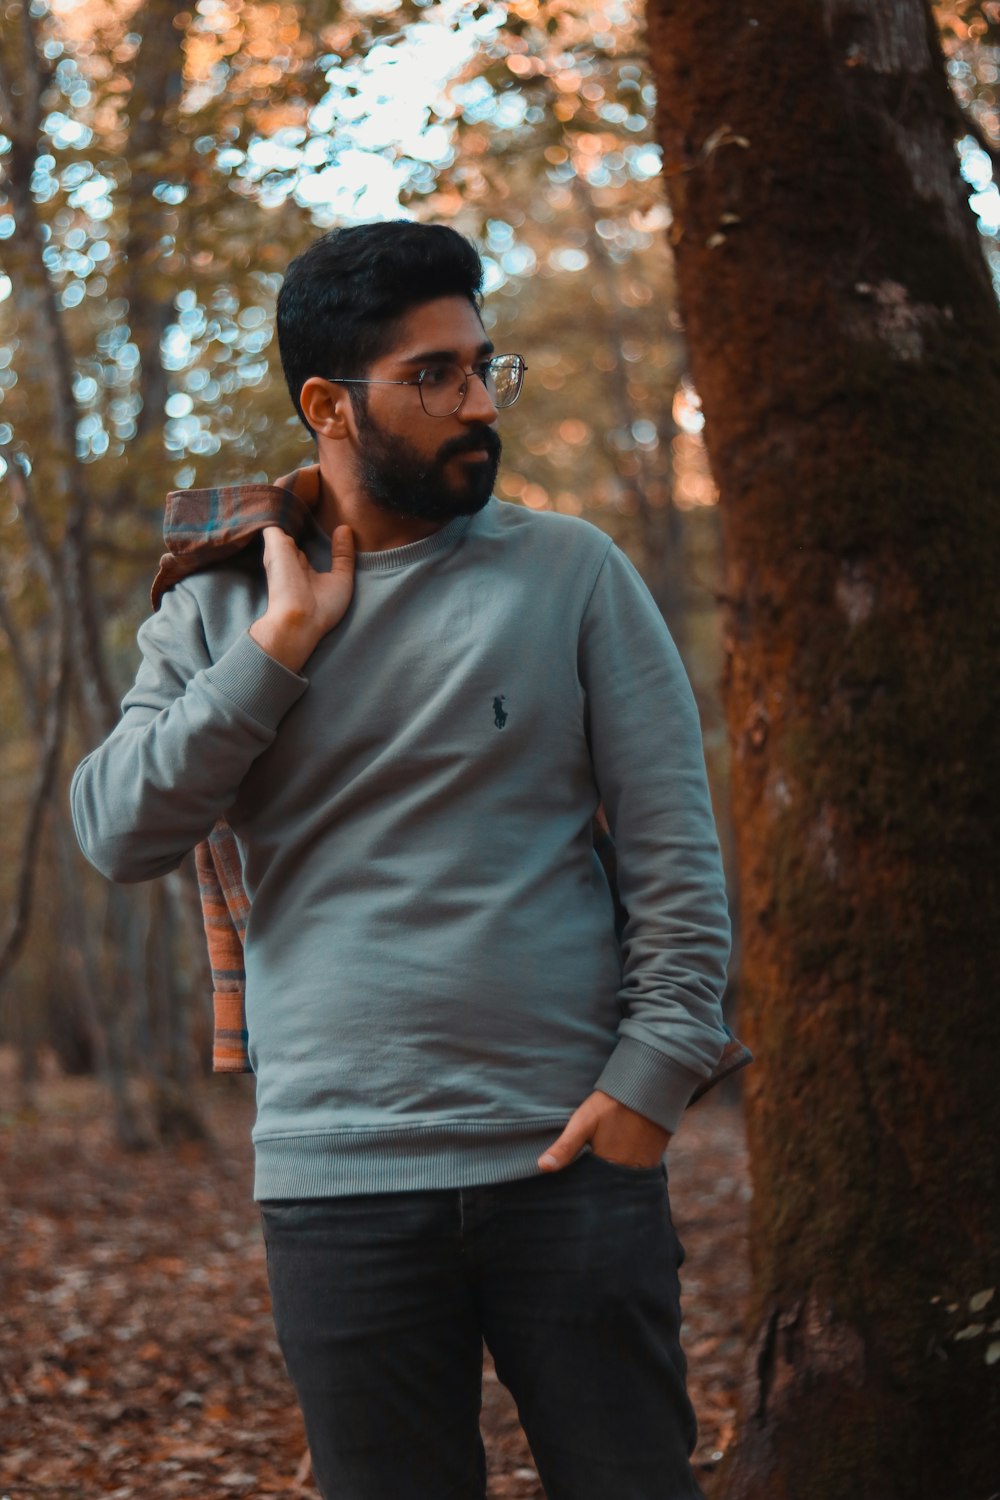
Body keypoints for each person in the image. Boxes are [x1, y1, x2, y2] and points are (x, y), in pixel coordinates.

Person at [71, 220, 732, 1500]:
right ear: (328, 403)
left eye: (487, 367)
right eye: (434, 376)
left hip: (571, 1164)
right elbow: (117, 829)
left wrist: (652, 1082)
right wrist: (278, 650)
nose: (479, 403)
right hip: (335, 1180)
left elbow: (675, 860)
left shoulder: (571, 575)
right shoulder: (218, 601)